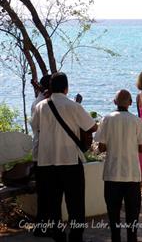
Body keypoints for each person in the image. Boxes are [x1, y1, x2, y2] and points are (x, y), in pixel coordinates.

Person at [31, 72, 97, 242]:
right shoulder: (73, 106)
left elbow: (36, 127)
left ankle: (58, 237)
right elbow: (91, 127)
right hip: (70, 161)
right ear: (66, 88)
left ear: (51, 87)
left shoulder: (41, 106)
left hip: (46, 163)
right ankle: (75, 237)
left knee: (53, 206)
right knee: (76, 205)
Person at [95, 90, 142, 242]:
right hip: (132, 174)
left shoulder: (107, 119)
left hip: (112, 173)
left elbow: (101, 147)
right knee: (133, 215)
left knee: (113, 214)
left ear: (114, 102)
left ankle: (116, 239)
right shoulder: (136, 121)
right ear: (131, 103)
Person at [30, 74, 51, 238]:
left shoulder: (42, 103)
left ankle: (45, 224)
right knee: (45, 193)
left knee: (47, 193)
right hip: (41, 155)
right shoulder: (40, 104)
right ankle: (42, 226)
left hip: (44, 153)